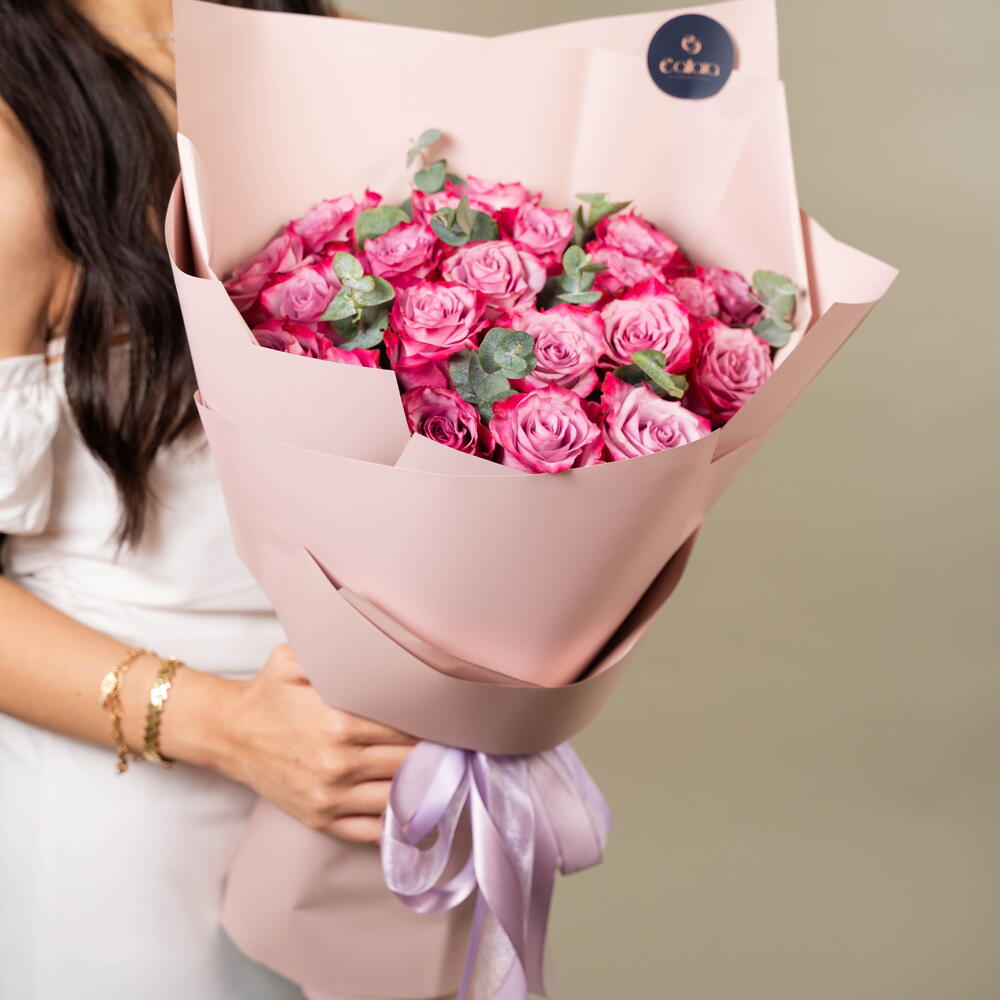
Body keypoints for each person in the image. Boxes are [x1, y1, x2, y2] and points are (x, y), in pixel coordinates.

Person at [0, 2, 417, 997]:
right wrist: (232, 727)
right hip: (132, 812)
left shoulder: (334, 57)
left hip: (382, 779)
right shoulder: (15, 137)